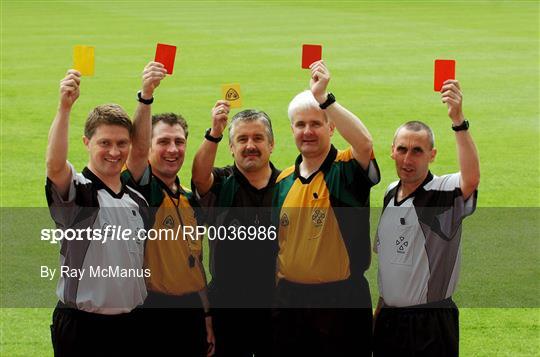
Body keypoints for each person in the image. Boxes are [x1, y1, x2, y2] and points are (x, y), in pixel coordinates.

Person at [272, 60, 380, 356]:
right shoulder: (282, 181)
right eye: (300, 124)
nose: (307, 131)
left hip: (340, 301)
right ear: (292, 129)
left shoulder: (346, 168)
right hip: (290, 301)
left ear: (331, 127)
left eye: (316, 123)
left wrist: (324, 99)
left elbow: (365, 142)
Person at [46, 69, 152, 356]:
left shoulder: (137, 200)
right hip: (83, 328)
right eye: (105, 143)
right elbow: (55, 166)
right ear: (87, 143)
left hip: (132, 324)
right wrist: (64, 107)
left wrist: (147, 96)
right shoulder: (78, 194)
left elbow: (142, 152)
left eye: (121, 144)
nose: (114, 152)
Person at [373, 79, 480, 357]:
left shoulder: (442, 194)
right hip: (388, 321)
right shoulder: (389, 193)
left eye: (417, 151)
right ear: (392, 151)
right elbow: (388, 266)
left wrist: (458, 120)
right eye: (402, 149)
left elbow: (471, 178)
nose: (407, 159)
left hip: (430, 324)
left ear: (431, 155)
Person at [121, 61, 215, 356]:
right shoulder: (140, 189)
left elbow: (196, 263)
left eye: (179, 142)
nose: (173, 150)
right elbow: (135, 150)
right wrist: (146, 95)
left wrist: (207, 318)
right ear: (148, 147)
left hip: (190, 313)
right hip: (151, 311)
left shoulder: (188, 198)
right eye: (163, 142)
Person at [191, 102, 280, 356]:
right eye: (242, 139)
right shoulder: (221, 181)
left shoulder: (287, 185)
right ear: (231, 147)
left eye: (258, 138)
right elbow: (199, 177)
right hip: (227, 307)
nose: (250, 145)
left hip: (276, 306)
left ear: (271, 144)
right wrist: (215, 132)